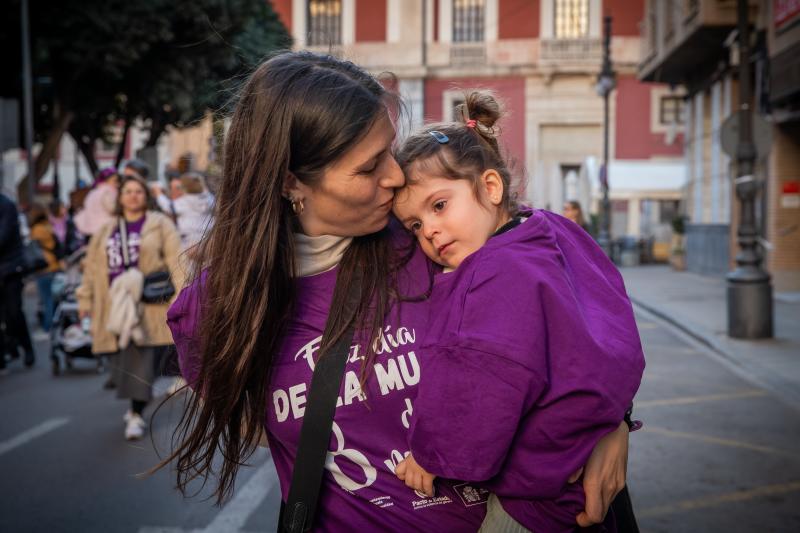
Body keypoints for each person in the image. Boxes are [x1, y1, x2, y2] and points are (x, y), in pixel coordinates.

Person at [162, 51, 632, 530]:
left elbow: (573, 312)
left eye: (389, 150)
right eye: (369, 168)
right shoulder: (216, 310)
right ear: (291, 181)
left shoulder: (437, 241)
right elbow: (264, 432)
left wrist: (611, 421)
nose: (394, 176)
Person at [391, 91, 645, 532]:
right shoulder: (553, 229)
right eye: (414, 225)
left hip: (536, 497)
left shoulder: (488, 273)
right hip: (584, 464)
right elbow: (614, 308)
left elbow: (479, 379)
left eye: (438, 206)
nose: (428, 230)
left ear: (491, 187)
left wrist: (432, 455)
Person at [76, 175, 183, 440]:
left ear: (145, 196)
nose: (133, 196)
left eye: (138, 191)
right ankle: (138, 396)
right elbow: (91, 267)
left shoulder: (160, 225)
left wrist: (181, 297)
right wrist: (85, 300)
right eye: (128, 192)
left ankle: (136, 413)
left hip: (149, 306)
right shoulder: (106, 228)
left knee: (141, 361)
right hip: (113, 305)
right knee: (121, 360)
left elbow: (176, 261)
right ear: (120, 197)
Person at [0, 193, 36, 373]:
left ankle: (26, 347)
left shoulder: (6, 205)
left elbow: (3, 236)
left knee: (14, 312)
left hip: (11, 269)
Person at [153, 172, 214, 252]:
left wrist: (158, 193)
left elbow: (167, 206)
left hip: (188, 240)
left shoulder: (184, 202)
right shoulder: (210, 198)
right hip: (208, 239)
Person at [28, 204, 62, 332]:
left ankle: (48, 326)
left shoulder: (36, 229)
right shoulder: (48, 227)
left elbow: (33, 247)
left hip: (43, 267)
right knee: (52, 299)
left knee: (47, 300)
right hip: (53, 266)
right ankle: (52, 324)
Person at [74, 167, 120, 237]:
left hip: (91, 228)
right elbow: (112, 208)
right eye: (114, 181)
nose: (117, 184)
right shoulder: (108, 191)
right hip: (105, 229)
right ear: (107, 180)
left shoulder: (93, 192)